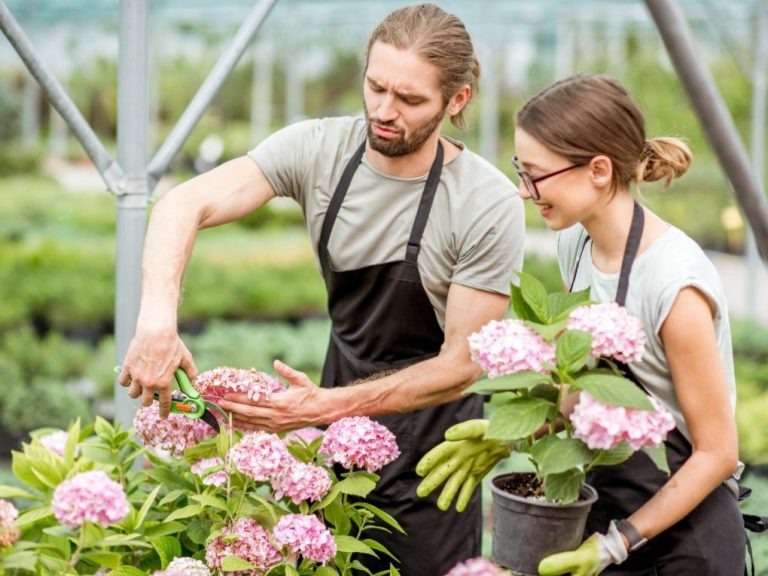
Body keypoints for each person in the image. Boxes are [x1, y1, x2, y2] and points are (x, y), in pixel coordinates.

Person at [118, 4, 525, 575]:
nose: (384, 111)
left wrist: (324, 408)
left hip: (434, 453)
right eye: (376, 86)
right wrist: (156, 323)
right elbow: (183, 204)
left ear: (456, 100)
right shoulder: (319, 150)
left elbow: (462, 364)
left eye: (410, 100)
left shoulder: (485, 202)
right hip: (333, 427)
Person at [418, 73, 745, 575]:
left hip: (684, 541)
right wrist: (514, 434)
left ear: (597, 169)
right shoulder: (577, 246)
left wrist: (616, 545)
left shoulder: (672, 282)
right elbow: (591, 388)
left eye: (535, 174)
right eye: (519, 170)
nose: (525, 192)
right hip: (609, 510)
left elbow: (716, 454)